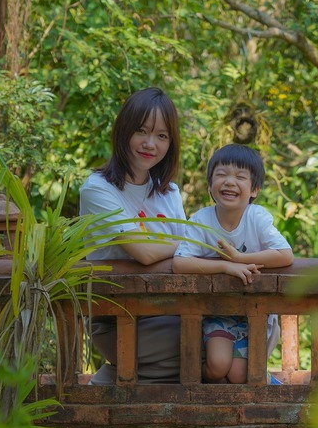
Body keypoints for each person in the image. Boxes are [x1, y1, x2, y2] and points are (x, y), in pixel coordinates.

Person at [79, 87, 185, 384]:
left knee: (230, 338)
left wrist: (184, 246)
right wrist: (183, 242)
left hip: (174, 309)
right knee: (215, 344)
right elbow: (144, 253)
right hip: (118, 316)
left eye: (162, 136)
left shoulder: (170, 193)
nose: (150, 143)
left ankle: (111, 382)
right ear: (124, 130)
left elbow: (189, 253)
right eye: (142, 131)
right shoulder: (98, 189)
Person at [172, 144, 293, 383]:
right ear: (210, 185)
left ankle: (266, 387)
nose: (229, 182)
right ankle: (199, 384)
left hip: (254, 313)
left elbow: (285, 254)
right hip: (218, 310)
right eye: (221, 175)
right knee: (218, 366)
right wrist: (226, 266)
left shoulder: (256, 217)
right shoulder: (201, 220)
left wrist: (240, 258)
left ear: (254, 189)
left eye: (240, 177)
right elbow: (180, 263)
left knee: (240, 375)